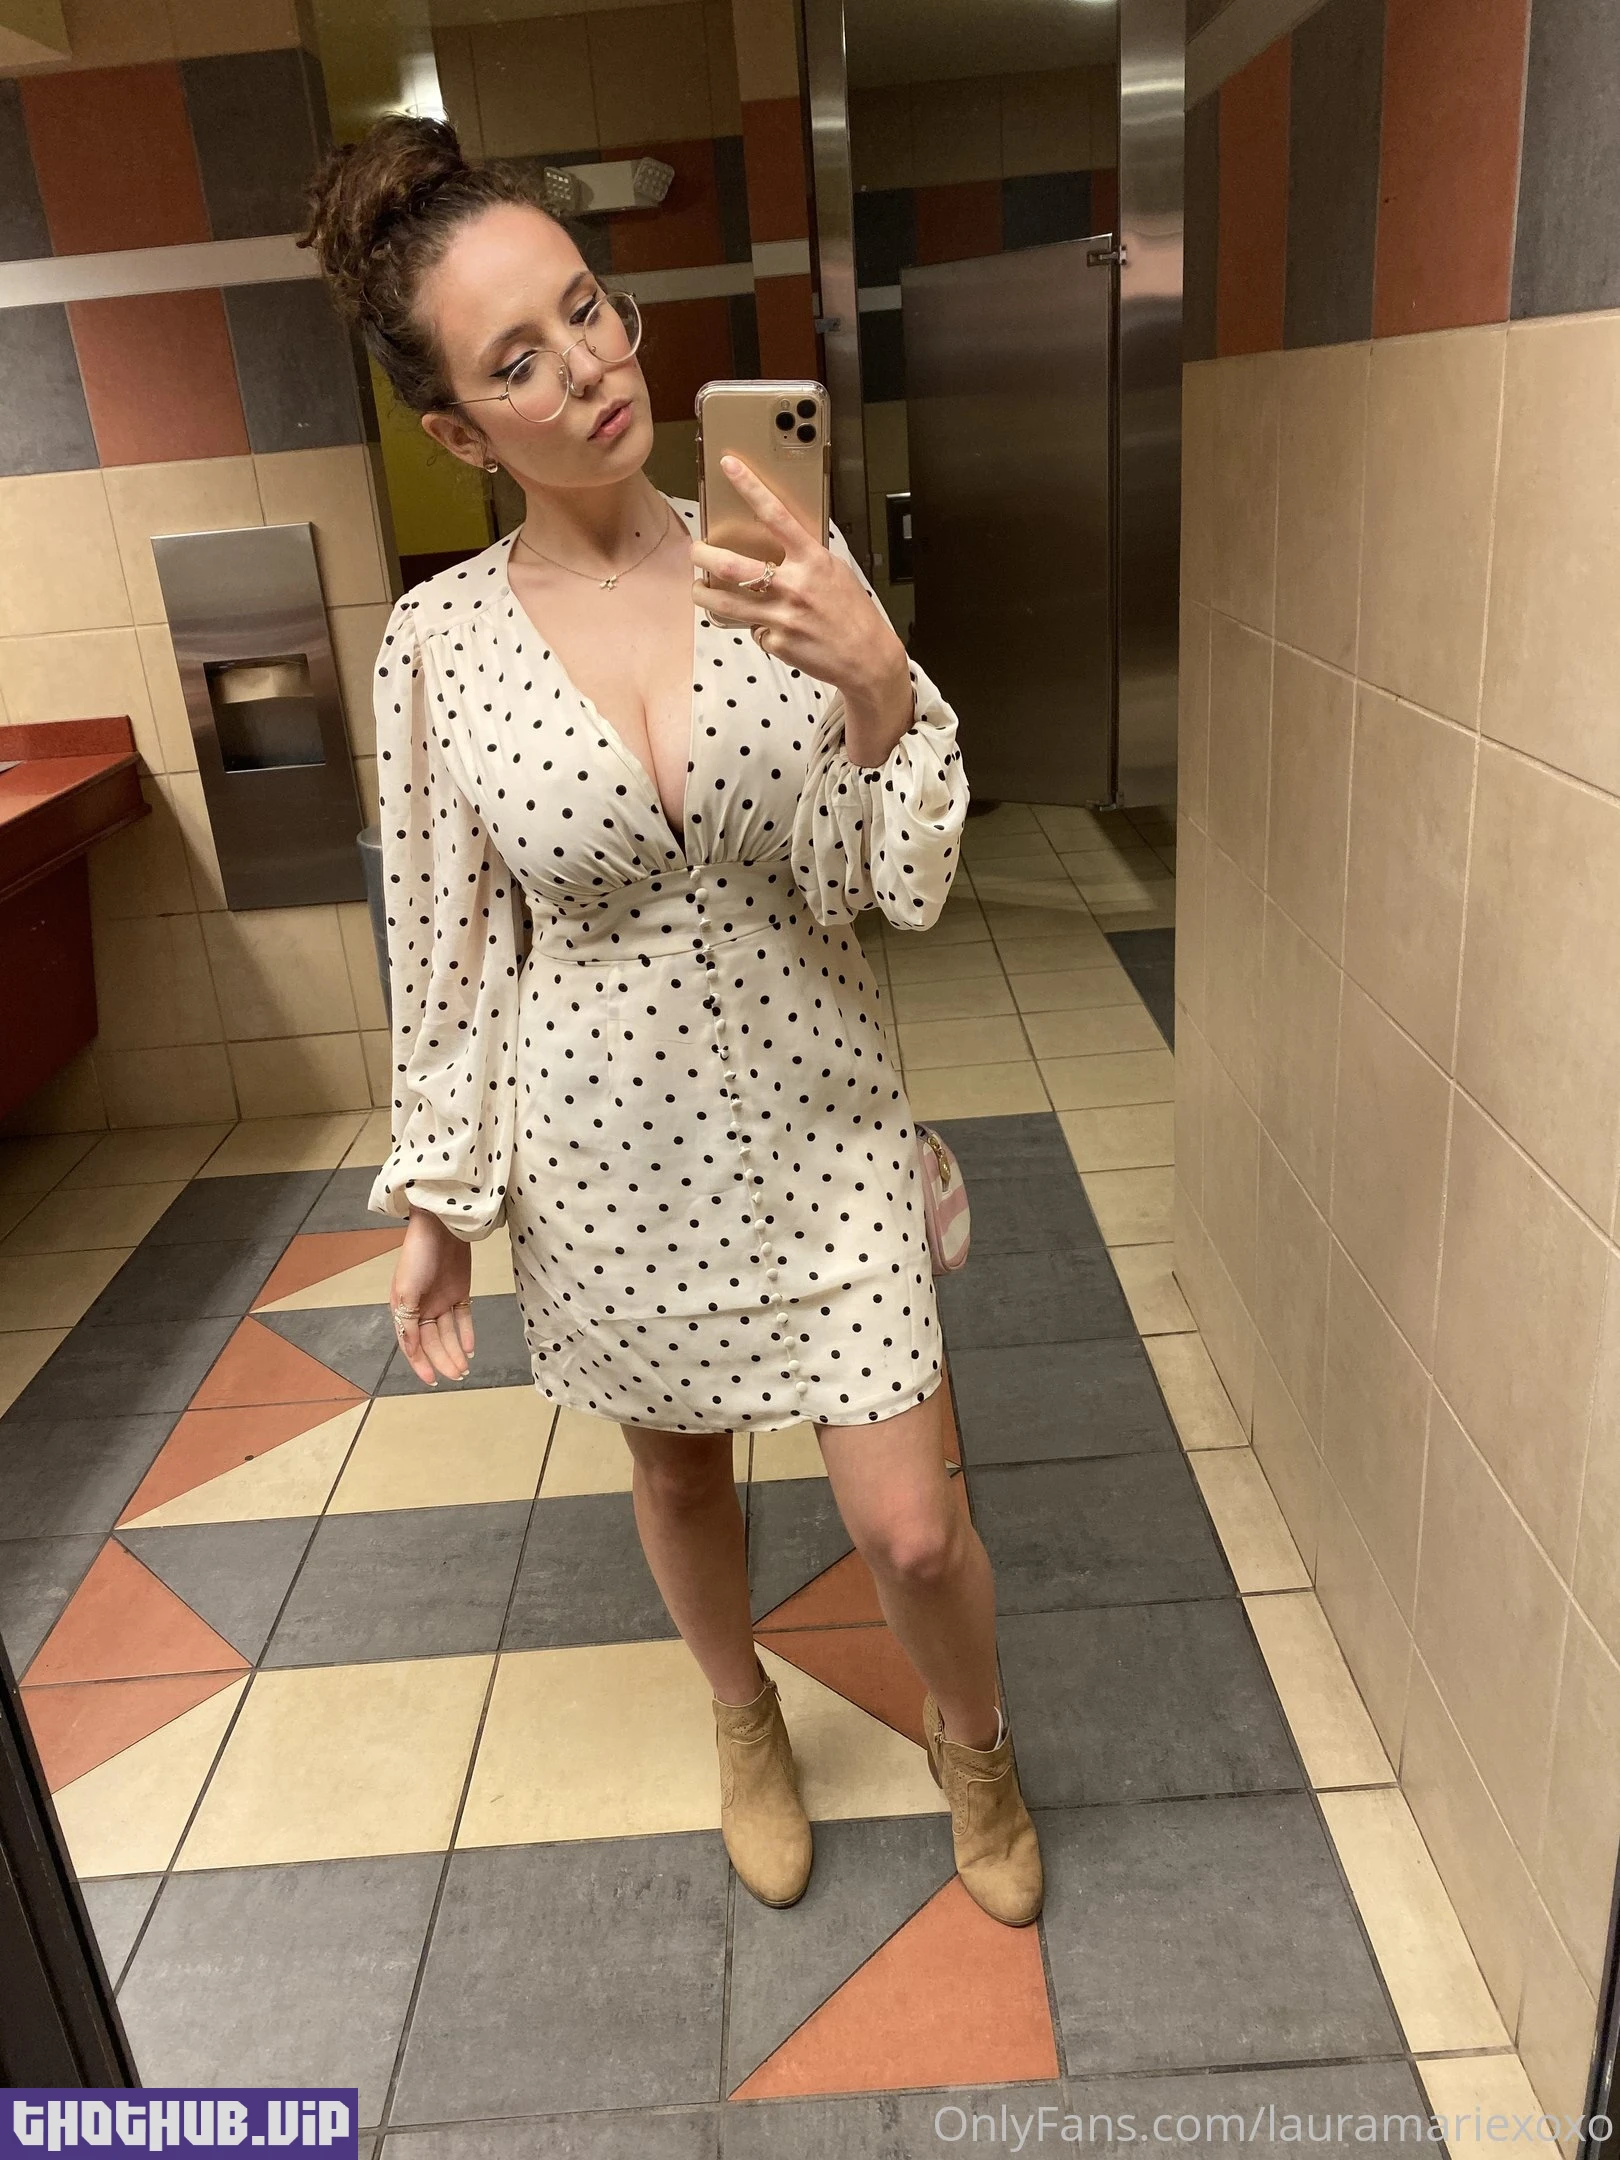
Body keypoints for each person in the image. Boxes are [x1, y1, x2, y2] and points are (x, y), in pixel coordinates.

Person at [301, 115, 1042, 1926]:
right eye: (518, 361)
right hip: (605, 1150)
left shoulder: (773, 554)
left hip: (822, 1113)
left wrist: (880, 684)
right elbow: (447, 947)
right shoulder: (438, 647)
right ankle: (742, 1720)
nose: (590, 367)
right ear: (459, 434)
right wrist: (435, 1205)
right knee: (681, 1475)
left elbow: (884, 878)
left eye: (587, 309)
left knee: (911, 1523)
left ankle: (977, 1744)